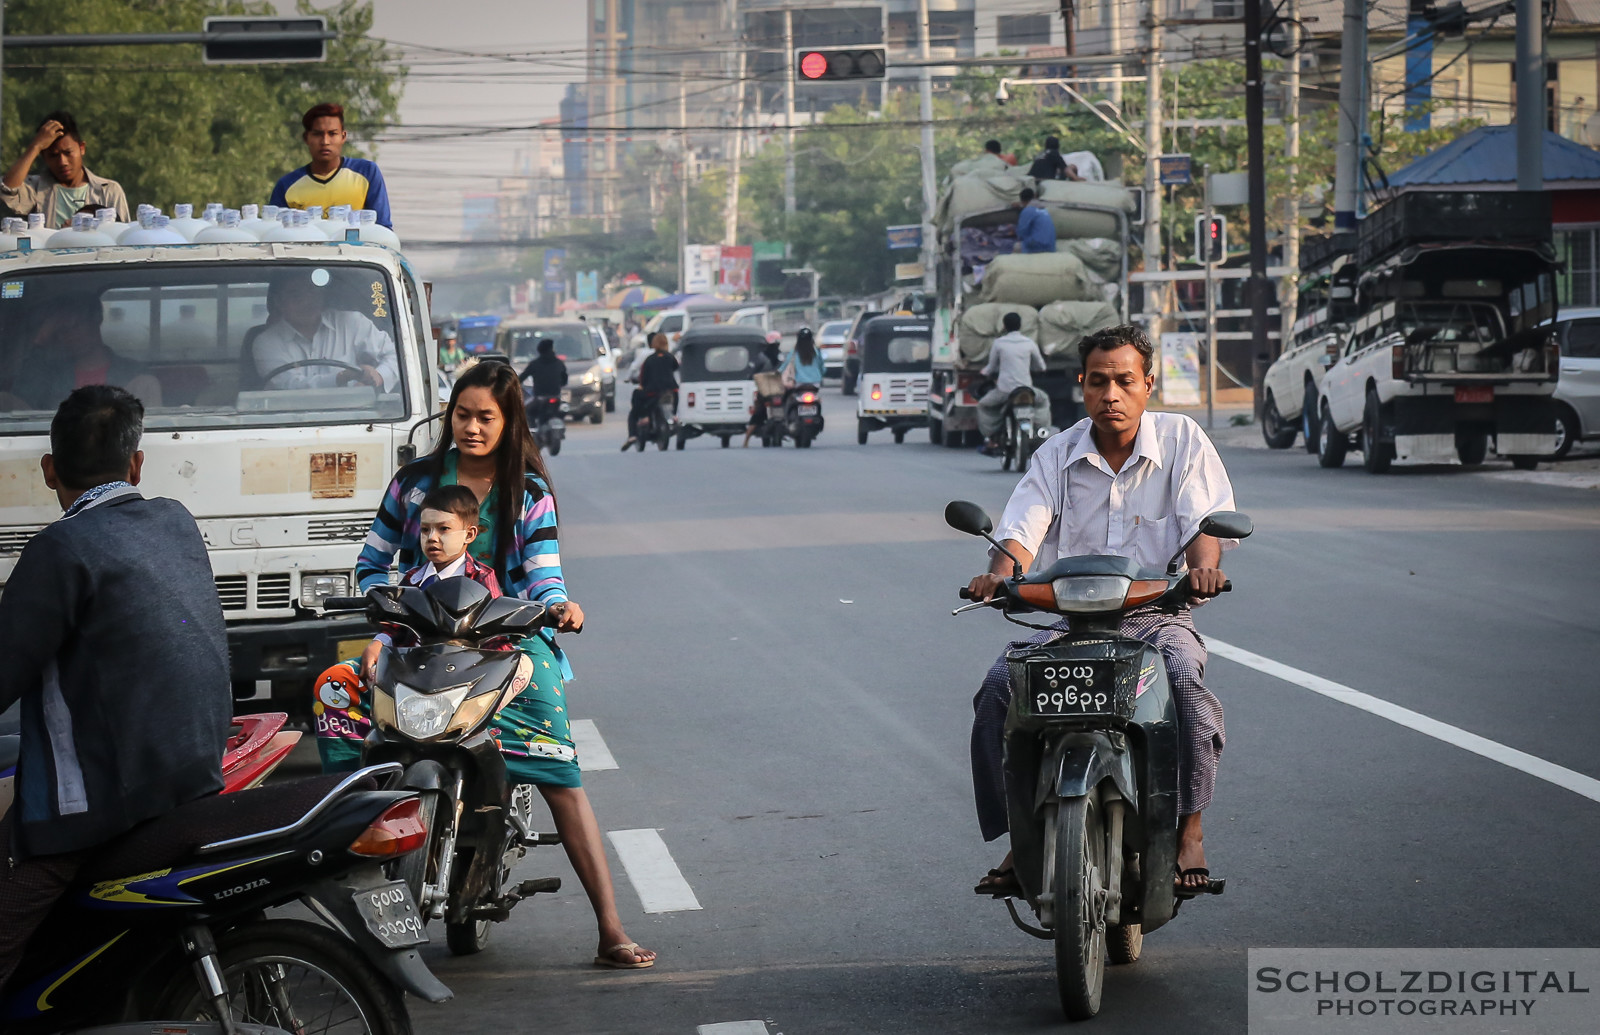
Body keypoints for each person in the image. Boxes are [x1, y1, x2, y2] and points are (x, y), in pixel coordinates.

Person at [311, 361, 656, 970]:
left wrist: (557, 610)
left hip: (507, 644)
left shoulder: (529, 492)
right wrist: (384, 612)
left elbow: (544, 575)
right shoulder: (414, 484)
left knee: (561, 777)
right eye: (462, 415)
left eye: (485, 417)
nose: (472, 427)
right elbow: (372, 561)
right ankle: (330, 844)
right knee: (337, 697)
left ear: (507, 420)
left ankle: (608, 925)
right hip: (416, 639)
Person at [966, 325, 1236, 899]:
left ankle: (1190, 829)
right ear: (1081, 387)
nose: (1111, 394)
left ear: (1147, 385)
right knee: (996, 691)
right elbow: (1020, 532)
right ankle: (1024, 834)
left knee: (1186, 685)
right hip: (1071, 623)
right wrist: (999, 575)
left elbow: (1203, 524)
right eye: (1098, 381)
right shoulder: (1055, 453)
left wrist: (1201, 570)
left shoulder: (1182, 440)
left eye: (1124, 380)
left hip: (1156, 619)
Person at [0, 386, 231, 989]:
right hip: (197, 774)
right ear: (136, 464)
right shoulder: (175, 521)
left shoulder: (59, 551)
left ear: (49, 471)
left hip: (99, 807)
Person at [317, 484, 505, 772]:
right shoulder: (413, 579)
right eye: (425, 530)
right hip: (410, 674)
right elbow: (395, 627)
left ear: (470, 534)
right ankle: (348, 779)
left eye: (443, 529)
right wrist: (378, 642)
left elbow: (496, 639)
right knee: (332, 681)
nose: (432, 538)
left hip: (462, 678)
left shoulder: (482, 579)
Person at [6, 292, 163, 411]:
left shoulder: (135, 375)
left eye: (74, 325)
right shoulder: (48, 375)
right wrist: (41, 338)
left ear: (96, 320)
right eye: (60, 330)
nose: (68, 336)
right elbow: (19, 405)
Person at [251, 272, 400, 392]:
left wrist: (379, 376)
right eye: (296, 295)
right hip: (290, 420)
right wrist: (342, 377)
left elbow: (398, 357)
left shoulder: (352, 323)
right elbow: (288, 386)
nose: (307, 301)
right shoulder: (266, 342)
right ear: (279, 302)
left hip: (358, 417)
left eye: (312, 292)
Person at [269, 103, 393, 228]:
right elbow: (274, 235)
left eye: (332, 134)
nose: (325, 142)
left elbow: (383, 229)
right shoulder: (286, 186)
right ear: (306, 138)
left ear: (343, 137)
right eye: (317, 134)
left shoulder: (367, 173)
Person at [0, 112, 129, 229]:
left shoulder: (108, 191)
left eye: (68, 153)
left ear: (82, 148)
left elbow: (121, 238)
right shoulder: (35, 188)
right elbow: (8, 188)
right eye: (53, 155)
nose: (63, 162)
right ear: (43, 156)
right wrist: (36, 146)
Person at [975, 311, 1053, 454]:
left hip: (1005, 391)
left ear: (1004, 326)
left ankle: (991, 436)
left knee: (983, 405)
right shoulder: (1029, 343)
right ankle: (1041, 430)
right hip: (1026, 390)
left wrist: (983, 373)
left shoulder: (999, 344)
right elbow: (1041, 366)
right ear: (1020, 325)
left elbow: (991, 367)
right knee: (1044, 400)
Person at [621, 332, 678, 451]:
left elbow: (642, 379)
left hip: (653, 392)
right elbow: (675, 367)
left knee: (636, 398)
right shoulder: (670, 357)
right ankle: (674, 416)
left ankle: (637, 428)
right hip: (671, 391)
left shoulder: (649, 360)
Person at [741, 337, 784, 447]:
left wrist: (750, 376)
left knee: (757, 414)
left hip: (765, 390)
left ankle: (746, 441)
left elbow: (754, 371)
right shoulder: (781, 356)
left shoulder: (761, 357)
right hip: (778, 390)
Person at [520, 338, 568, 424]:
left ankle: (532, 430)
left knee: (526, 411)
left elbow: (522, 377)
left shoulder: (534, 364)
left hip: (539, 398)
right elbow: (564, 380)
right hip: (556, 396)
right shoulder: (559, 363)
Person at [1015, 188, 1056, 254]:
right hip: (1051, 246)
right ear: (1034, 196)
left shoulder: (1027, 211)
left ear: (1022, 201)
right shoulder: (1043, 209)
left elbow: (1021, 232)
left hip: (1037, 246)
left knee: (1015, 247)